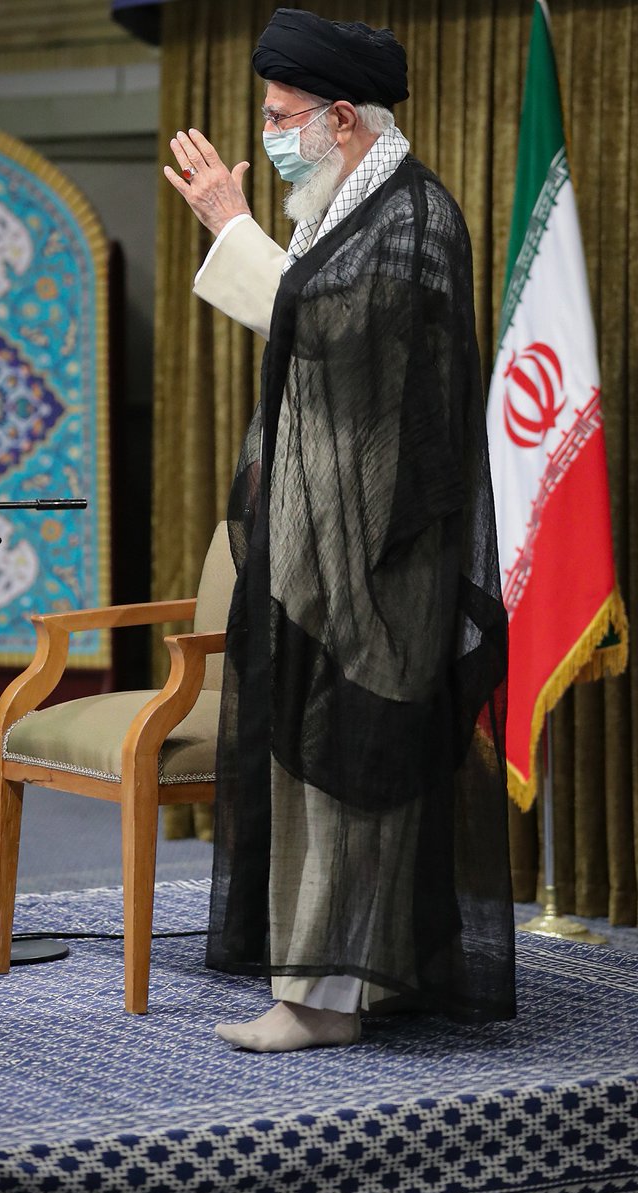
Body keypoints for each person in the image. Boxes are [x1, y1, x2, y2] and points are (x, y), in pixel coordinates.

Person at [165, 7, 516, 1052]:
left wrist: (231, 225)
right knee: (312, 760)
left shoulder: (413, 216)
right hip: (323, 538)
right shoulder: (346, 206)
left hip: (380, 551)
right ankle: (330, 986)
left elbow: (323, 324)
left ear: (344, 119)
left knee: (353, 764)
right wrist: (243, 231)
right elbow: (312, 325)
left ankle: (324, 1001)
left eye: (281, 118)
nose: (270, 135)